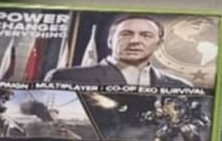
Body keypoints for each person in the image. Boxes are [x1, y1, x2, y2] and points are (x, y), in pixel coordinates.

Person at [45, 15, 193, 87]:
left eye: (146, 35)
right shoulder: (66, 77)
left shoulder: (181, 86)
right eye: (126, 34)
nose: (135, 41)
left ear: (158, 44)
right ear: (110, 41)